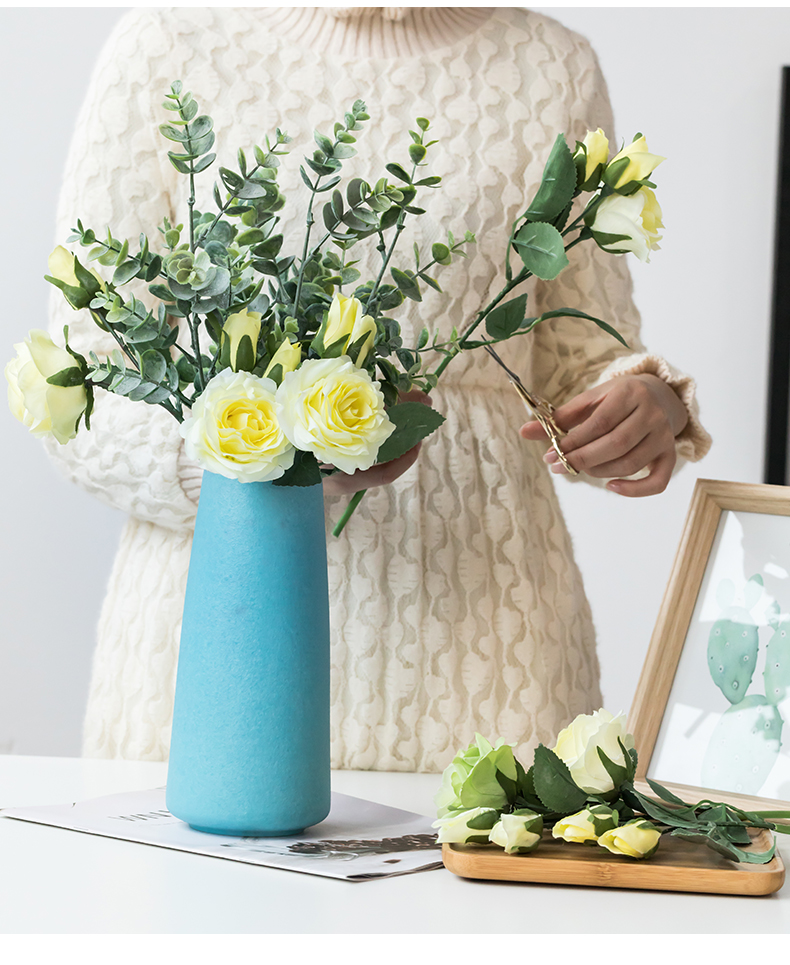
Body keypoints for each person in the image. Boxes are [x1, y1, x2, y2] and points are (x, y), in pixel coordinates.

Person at [44, 7, 711, 770]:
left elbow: (580, 352)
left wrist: (642, 401)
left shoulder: (552, 66)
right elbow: (79, 385)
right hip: (223, 644)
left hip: (486, 654)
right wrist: (253, 463)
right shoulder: (168, 41)